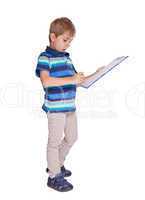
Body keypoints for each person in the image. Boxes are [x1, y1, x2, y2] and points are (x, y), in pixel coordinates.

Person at [35, 17, 103, 192]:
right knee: (54, 142)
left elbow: (77, 82)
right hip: (56, 109)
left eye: (70, 41)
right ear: (53, 37)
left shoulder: (67, 58)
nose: (68, 45)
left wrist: (96, 74)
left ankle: (56, 164)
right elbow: (46, 82)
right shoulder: (45, 57)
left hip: (70, 107)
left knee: (72, 137)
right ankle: (53, 176)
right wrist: (73, 78)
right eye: (65, 40)